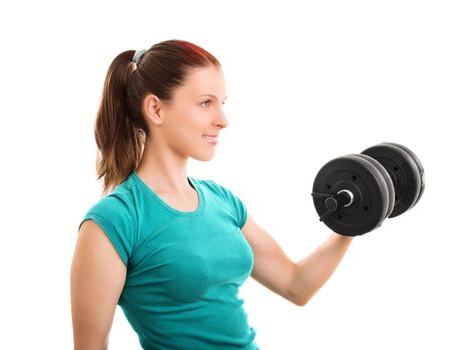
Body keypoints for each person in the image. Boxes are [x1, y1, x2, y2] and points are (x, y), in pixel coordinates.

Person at [70, 39, 353, 350]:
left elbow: (296, 285)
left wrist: (353, 222)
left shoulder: (222, 201)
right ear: (155, 109)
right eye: (206, 103)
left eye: (222, 103)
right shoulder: (115, 220)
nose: (223, 119)